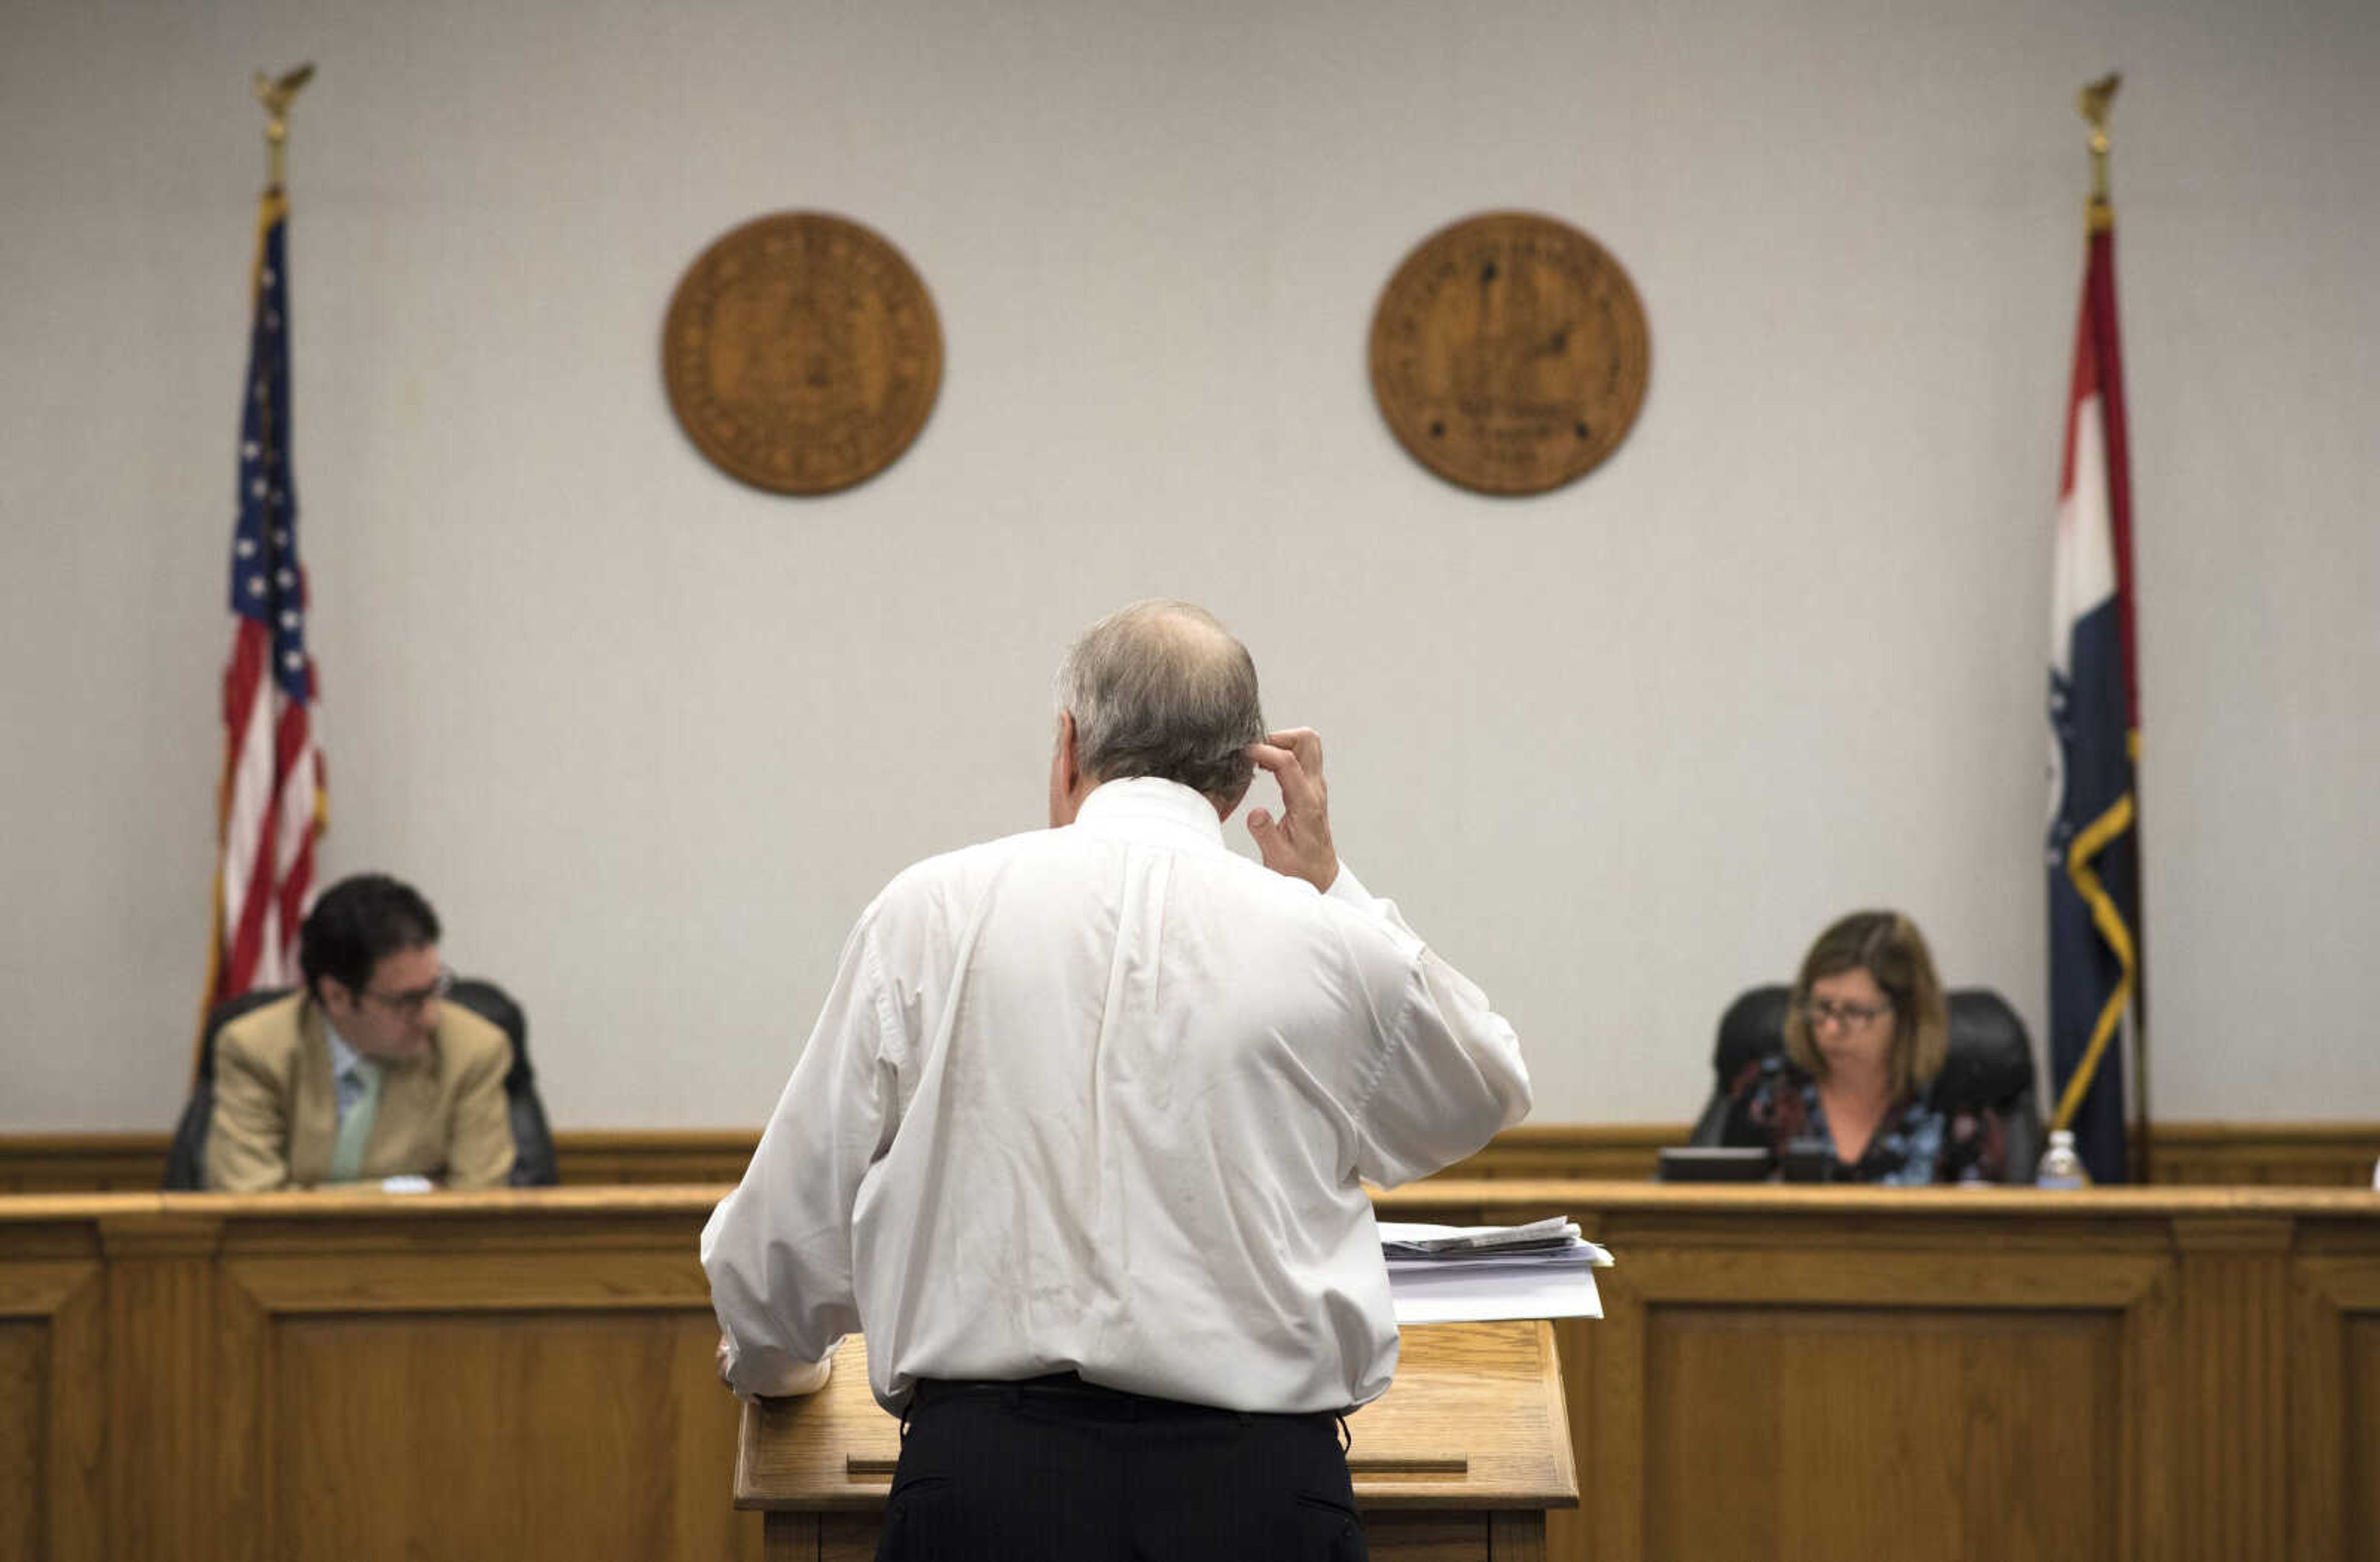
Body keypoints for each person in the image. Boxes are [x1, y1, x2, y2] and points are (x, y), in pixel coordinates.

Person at [702, 599, 1532, 1561]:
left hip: (987, 1494)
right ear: (1239, 778)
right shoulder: (1327, 944)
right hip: (1260, 1503)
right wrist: (1333, 883)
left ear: (1067, 748)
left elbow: (783, 1237)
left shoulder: (927, 914)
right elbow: (1484, 1083)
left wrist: (777, 1369)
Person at [205, 872, 516, 1191]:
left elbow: (477, 1207)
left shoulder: (475, 1050)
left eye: (436, 988)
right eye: (408, 1000)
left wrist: (308, 1196)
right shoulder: (255, 1050)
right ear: (337, 997)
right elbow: (251, 1204)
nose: (431, 1017)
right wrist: (412, 1190)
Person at [1718, 909, 2008, 1185]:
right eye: (1822, 1007)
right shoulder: (1769, 1095)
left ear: (1908, 1016)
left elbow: (1985, 1228)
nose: (1831, 1029)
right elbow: (1722, 1215)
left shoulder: (1957, 1104)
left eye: (1855, 1013)